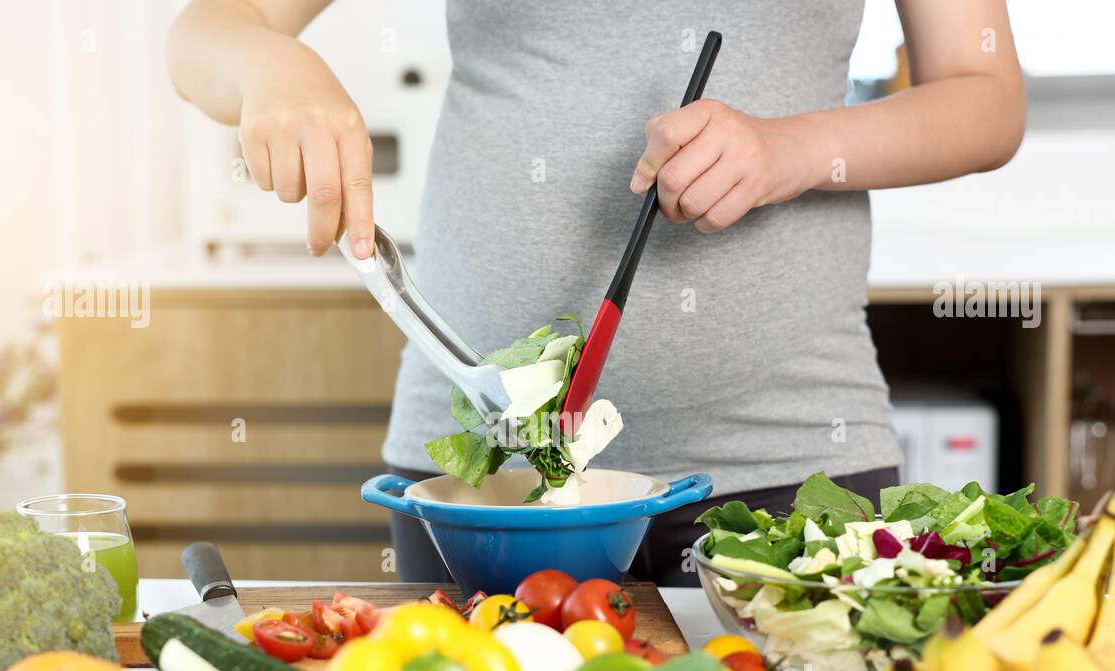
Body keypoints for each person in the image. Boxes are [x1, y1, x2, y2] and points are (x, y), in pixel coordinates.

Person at [168, 0, 1026, 585]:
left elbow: (984, 97)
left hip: (789, 456)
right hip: (485, 480)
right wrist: (270, 62)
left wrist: (791, 150)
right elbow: (205, 31)